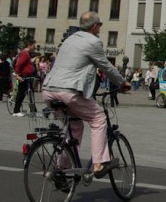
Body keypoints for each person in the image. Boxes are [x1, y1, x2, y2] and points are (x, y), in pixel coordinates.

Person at [42, 11, 130, 178]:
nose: (99, 30)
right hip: (68, 91)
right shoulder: (93, 42)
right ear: (95, 26)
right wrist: (122, 82)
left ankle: (62, 170)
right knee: (98, 119)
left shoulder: (69, 39)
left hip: (48, 90)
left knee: (74, 126)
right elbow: (105, 66)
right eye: (100, 26)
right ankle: (99, 163)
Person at [12, 40, 39, 117]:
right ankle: (16, 111)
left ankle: (33, 111)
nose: (34, 47)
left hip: (27, 76)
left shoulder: (26, 53)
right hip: (23, 76)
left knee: (30, 94)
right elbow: (18, 64)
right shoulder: (24, 53)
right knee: (21, 94)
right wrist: (17, 75)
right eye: (34, 45)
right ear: (29, 45)